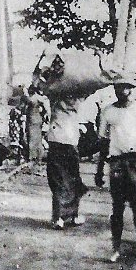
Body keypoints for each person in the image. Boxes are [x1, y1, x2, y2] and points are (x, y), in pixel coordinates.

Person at [95, 76, 136, 262]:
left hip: (135, 160)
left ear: (131, 89)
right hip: (116, 162)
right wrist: (99, 169)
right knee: (117, 206)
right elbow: (103, 141)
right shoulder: (108, 111)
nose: (121, 92)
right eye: (117, 88)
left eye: (125, 88)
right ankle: (116, 247)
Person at [47, 94, 89, 229]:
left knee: (58, 179)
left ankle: (58, 217)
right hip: (70, 139)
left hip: (56, 138)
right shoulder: (78, 96)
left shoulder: (55, 92)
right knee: (73, 178)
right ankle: (72, 215)